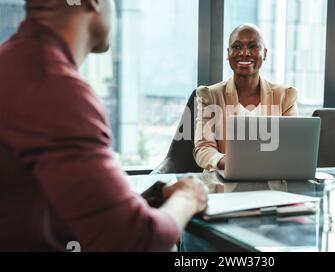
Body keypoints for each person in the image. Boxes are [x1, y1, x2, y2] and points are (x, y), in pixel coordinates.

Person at [0, 0, 208, 251]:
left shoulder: (12, 61)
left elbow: (56, 204)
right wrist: (188, 197)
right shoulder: (55, 87)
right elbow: (138, 241)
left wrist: (149, 199)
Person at [194, 23, 299, 171]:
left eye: (253, 46)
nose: (245, 53)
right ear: (228, 53)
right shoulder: (210, 95)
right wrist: (229, 163)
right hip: (224, 183)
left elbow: (293, 147)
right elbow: (203, 148)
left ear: (265, 53)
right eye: (237, 47)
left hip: (271, 183)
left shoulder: (285, 96)